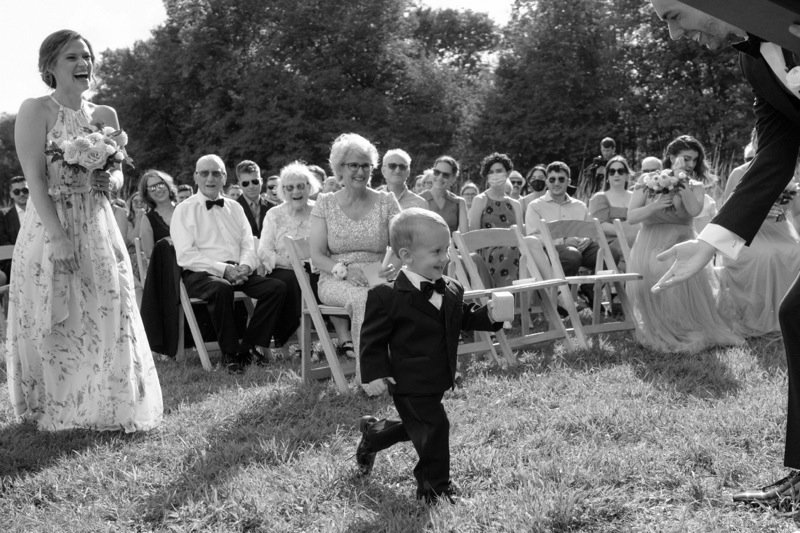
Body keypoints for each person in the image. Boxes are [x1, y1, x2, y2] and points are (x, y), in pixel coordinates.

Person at [7, 29, 162, 431]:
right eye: (73, 58)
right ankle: (58, 404)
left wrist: (105, 182)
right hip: (49, 225)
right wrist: (57, 236)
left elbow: (116, 178)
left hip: (97, 223)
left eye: (87, 56)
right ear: (50, 67)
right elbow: (35, 181)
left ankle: (110, 400)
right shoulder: (34, 110)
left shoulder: (105, 116)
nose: (84, 64)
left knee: (110, 307)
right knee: (59, 313)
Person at [356, 208, 503, 504]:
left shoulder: (452, 288)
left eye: (446, 249)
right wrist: (375, 373)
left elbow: (462, 317)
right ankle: (434, 489)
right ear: (406, 256)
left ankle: (373, 433)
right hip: (407, 379)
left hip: (438, 375)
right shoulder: (386, 296)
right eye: (436, 251)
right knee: (435, 426)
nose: (445, 257)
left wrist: (491, 316)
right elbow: (372, 338)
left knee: (420, 426)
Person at [171, 154, 288, 374]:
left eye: (216, 173)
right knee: (221, 287)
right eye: (204, 173)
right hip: (201, 274)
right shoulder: (184, 209)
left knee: (276, 288)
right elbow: (186, 255)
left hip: (238, 270)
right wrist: (224, 270)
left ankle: (248, 346)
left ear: (224, 177)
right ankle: (230, 354)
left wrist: (245, 266)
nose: (210, 178)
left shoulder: (235, 207)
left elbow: (248, 243)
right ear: (196, 177)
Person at [626, 134, 741, 352]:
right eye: (686, 158)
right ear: (671, 157)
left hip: (683, 241)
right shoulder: (647, 181)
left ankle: (684, 326)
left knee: (680, 268)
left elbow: (694, 210)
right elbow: (631, 216)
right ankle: (662, 326)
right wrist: (655, 205)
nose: (691, 164)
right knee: (657, 265)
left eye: (694, 160)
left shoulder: (695, 186)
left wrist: (681, 182)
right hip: (650, 243)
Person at [310, 133, 400, 381]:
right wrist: (346, 271)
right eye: (353, 165)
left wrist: (385, 271)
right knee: (365, 299)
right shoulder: (325, 203)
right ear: (340, 168)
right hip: (335, 277)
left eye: (366, 165)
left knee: (404, 294)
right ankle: (371, 376)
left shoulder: (386, 201)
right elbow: (317, 256)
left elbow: (404, 243)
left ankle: (411, 368)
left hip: (378, 273)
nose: (360, 171)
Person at [257, 161, 350, 356]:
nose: (296, 192)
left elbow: (335, 243)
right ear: (283, 191)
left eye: (301, 186)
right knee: (294, 282)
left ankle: (344, 340)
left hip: (318, 268)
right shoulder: (274, 214)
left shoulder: (321, 210)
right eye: (289, 188)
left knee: (333, 279)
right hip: (284, 270)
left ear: (310, 187)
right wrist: (289, 263)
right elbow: (264, 251)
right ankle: (303, 345)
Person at [717, 149, 800, 337]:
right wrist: (758, 211)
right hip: (748, 231)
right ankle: (755, 317)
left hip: (780, 230)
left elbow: (796, 212)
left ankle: (789, 317)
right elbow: (727, 208)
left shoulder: (788, 172)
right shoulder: (740, 172)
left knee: (795, 252)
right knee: (764, 255)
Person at [468, 152, 523, 287]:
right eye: (491, 172)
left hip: (514, 248)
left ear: (507, 173)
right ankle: (505, 297)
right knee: (511, 251)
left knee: (528, 249)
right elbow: (473, 235)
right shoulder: (480, 200)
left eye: (499, 171)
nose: (495, 175)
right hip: (487, 251)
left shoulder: (515, 204)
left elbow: (520, 236)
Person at [588, 156, 638, 266]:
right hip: (609, 246)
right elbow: (600, 226)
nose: (616, 174)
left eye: (621, 171)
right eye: (612, 171)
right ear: (607, 176)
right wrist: (630, 231)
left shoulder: (636, 197)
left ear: (626, 176)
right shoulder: (599, 198)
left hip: (636, 241)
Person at [421, 155, 468, 234]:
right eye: (437, 172)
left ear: (453, 178)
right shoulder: (419, 199)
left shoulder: (459, 203)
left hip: (451, 245)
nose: (440, 177)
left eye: (445, 175)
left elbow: (465, 235)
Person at [137, 169, 177, 261]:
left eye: (160, 184)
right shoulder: (147, 219)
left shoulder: (184, 210)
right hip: (166, 267)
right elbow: (149, 254)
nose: (158, 189)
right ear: (147, 194)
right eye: (152, 188)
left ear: (167, 185)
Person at [0, 176, 29, 282]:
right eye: (17, 191)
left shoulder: (41, 213)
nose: (22, 194)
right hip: (16, 263)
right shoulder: (4, 218)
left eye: (25, 190)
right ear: (11, 194)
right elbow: (4, 244)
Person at [234, 160, 269, 237]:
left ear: (261, 181)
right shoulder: (232, 210)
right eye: (245, 183)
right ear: (239, 185)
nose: (251, 186)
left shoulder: (272, 207)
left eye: (255, 181)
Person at [577, 137, 616, 201]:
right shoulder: (598, 163)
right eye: (603, 150)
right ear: (601, 149)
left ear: (613, 149)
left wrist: (606, 172)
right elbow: (586, 175)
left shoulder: (618, 163)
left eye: (608, 150)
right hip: (596, 195)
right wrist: (593, 170)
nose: (605, 153)